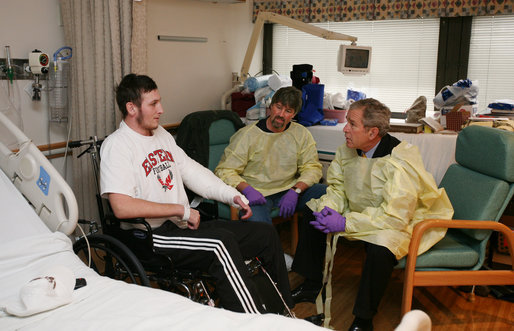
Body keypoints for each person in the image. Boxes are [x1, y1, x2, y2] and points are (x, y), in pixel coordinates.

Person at [100, 73, 293, 314]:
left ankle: (285, 313)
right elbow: (122, 207)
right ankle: (255, 323)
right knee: (220, 245)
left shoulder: (161, 136)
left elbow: (193, 172)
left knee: (265, 234)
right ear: (131, 108)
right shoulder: (117, 146)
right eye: (153, 104)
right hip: (150, 236)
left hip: (181, 227)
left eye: (159, 101)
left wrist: (232, 195)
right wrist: (181, 210)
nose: (161, 109)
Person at [291, 98, 454, 331]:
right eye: (347, 122)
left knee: (381, 246)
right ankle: (311, 283)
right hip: (359, 211)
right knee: (313, 211)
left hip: (400, 220)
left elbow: (395, 215)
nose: (345, 129)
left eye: (352, 124)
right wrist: (331, 208)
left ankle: (363, 319)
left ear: (372, 132)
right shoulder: (348, 150)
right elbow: (337, 188)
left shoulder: (401, 158)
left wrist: (346, 222)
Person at [214, 86, 326, 225]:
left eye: (288, 111)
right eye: (278, 107)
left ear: (294, 114)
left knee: (327, 193)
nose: (281, 114)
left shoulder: (301, 134)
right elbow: (224, 170)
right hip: (258, 195)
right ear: (271, 106)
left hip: (289, 190)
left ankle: (308, 245)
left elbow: (312, 168)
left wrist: (296, 190)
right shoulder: (247, 135)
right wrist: (247, 190)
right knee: (260, 227)